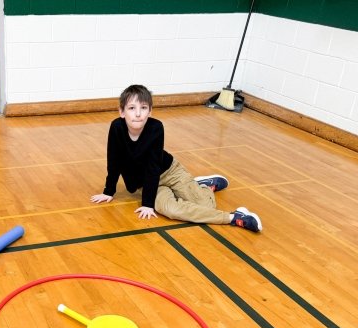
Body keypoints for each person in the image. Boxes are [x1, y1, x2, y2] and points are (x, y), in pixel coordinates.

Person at [90, 84, 262, 232]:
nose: (138, 114)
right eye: (132, 108)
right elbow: (114, 160)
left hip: (168, 172)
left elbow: (152, 167)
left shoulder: (156, 128)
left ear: (150, 111)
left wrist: (147, 204)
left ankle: (203, 188)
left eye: (143, 108)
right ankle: (234, 218)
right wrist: (109, 191)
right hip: (150, 185)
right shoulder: (116, 128)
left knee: (208, 206)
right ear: (122, 112)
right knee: (170, 210)